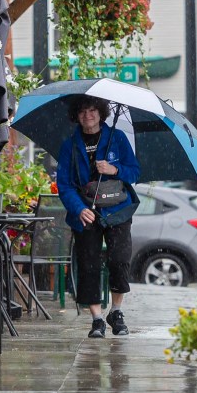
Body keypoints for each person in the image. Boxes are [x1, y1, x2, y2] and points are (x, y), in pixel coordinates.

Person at [55, 95, 141, 338]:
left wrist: (115, 169)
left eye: (92, 110)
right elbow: (64, 184)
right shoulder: (69, 145)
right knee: (89, 262)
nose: (88, 115)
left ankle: (116, 311)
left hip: (117, 209)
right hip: (86, 211)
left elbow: (134, 172)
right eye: (82, 111)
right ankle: (96, 318)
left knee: (119, 258)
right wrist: (78, 209)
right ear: (76, 115)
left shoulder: (117, 138)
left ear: (101, 113)